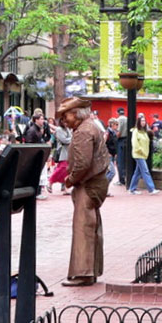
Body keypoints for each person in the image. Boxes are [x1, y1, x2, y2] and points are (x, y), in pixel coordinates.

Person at [57, 96, 109, 287]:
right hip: (95, 184)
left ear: (75, 114)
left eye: (65, 116)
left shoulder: (83, 132)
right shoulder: (92, 126)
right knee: (91, 226)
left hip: (87, 185)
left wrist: (70, 180)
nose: (64, 121)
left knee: (83, 228)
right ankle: (90, 270)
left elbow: (82, 163)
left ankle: (83, 272)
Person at [128, 115, 159, 195]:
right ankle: (151, 189)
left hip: (143, 154)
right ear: (138, 122)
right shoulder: (135, 131)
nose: (143, 122)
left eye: (144, 121)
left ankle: (132, 189)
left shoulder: (144, 131)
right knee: (145, 171)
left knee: (137, 172)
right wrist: (140, 151)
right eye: (142, 121)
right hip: (139, 154)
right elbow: (135, 143)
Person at [48, 116, 72, 194]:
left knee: (66, 171)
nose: (66, 123)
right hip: (63, 152)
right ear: (61, 122)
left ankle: (65, 188)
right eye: (64, 122)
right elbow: (64, 140)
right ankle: (50, 182)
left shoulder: (67, 129)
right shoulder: (59, 130)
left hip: (69, 152)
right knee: (61, 169)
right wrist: (73, 138)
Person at [115, 107, 127, 185]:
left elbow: (118, 132)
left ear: (117, 112)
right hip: (127, 140)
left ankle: (121, 180)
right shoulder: (127, 119)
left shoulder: (118, 120)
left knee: (120, 161)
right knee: (126, 161)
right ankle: (126, 177)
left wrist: (115, 138)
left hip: (121, 141)